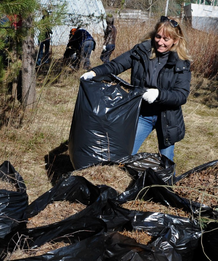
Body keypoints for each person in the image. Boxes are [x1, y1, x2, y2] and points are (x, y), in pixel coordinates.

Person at [79, 16, 192, 162]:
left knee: (166, 161)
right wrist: (94, 72)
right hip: (143, 113)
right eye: (158, 36)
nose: (160, 42)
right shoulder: (141, 52)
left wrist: (158, 94)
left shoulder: (181, 63)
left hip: (167, 117)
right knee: (126, 153)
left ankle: (166, 184)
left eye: (166, 39)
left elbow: (181, 95)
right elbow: (116, 65)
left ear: (175, 40)